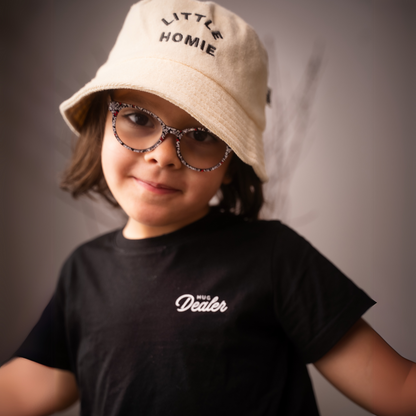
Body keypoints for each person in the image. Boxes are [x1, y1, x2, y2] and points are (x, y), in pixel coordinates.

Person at [0, 0, 415, 415]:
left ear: (232, 164)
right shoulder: (82, 273)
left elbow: (397, 388)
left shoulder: (274, 258)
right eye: (139, 119)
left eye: (201, 134)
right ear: (99, 124)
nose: (164, 155)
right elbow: (29, 388)